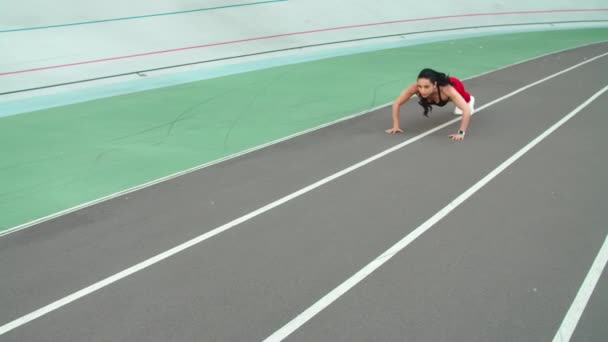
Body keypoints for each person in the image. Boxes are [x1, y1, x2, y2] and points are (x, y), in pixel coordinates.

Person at [385, 68, 475, 140]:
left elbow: (466, 110)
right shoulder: (414, 87)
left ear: (434, 84)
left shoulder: (447, 89)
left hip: (455, 85)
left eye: (426, 87)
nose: (422, 90)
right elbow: (396, 103)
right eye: (420, 86)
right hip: (443, 95)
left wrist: (461, 133)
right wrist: (395, 126)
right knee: (458, 105)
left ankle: (470, 99)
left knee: (465, 100)